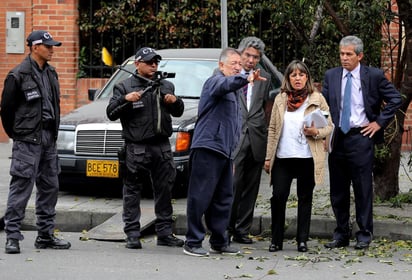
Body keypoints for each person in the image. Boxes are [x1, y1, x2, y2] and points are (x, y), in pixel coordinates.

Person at [183, 48, 266, 257]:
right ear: (221, 66)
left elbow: (234, 122)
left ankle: (219, 241)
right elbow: (226, 84)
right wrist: (245, 78)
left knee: (223, 198)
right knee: (200, 196)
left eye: (240, 63)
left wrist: (232, 152)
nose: (238, 67)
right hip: (208, 147)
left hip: (226, 151)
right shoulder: (216, 81)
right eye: (234, 63)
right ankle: (192, 241)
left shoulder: (235, 88)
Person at [322, 35, 401, 250]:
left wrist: (378, 123)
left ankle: (364, 235)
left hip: (361, 137)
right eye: (341, 54)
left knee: (362, 188)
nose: (344, 58)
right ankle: (341, 234)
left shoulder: (373, 76)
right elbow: (323, 104)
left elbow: (396, 98)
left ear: (360, 55)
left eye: (349, 54)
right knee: (338, 189)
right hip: (337, 137)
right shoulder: (332, 76)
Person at [106, 47, 185, 250]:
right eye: (149, 62)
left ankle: (165, 233)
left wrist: (174, 101)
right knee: (132, 191)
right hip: (136, 147)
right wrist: (126, 100)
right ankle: (132, 234)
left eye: (156, 62)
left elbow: (178, 111)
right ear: (137, 64)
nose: (153, 65)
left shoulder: (166, 85)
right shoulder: (124, 87)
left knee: (165, 190)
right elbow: (111, 113)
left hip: (161, 146)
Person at [0, 30, 71, 254]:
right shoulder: (17, 74)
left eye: (52, 46)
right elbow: (7, 111)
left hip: (49, 139)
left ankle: (46, 235)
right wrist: (18, 135)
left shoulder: (51, 73)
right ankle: (12, 236)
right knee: (21, 188)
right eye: (47, 46)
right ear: (34, 47)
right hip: (27, 140)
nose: (52, 50)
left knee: (50, 188)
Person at [264, 60, 333, 252]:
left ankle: (302, 240)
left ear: (307, 78)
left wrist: (315, 133)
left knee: (305, 198)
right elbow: (272, 129)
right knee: (278, 196)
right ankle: (276, 239)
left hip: (307, 157)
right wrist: (268, 157)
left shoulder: (317, 98)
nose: (297, 78)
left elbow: (329, 126)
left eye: (301, 75)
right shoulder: (280, 99)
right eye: (293, 75)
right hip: (283, 157)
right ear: (287, 78)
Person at [229, 37, 271, 244]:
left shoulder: (264, 77)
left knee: (251, 188)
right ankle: (225, 229)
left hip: (256, 138)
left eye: (256, 57)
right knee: (232, 186)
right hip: (235, 138)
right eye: (247, 55)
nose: (251, 60)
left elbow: (264, 105)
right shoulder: (230, 74)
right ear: (240, 54)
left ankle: (242, 230)